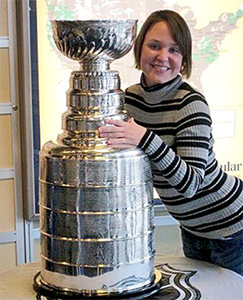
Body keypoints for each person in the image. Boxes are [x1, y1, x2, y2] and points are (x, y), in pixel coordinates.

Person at [98, 9, 243, 276]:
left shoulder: (190, 104)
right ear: (139, 47)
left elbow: (191, 184)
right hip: (192, 229)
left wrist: (144, 138)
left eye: (174, 50)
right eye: (154, 45)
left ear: (184, 59)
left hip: (233, 228)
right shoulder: (130, 100)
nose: (163, 57)